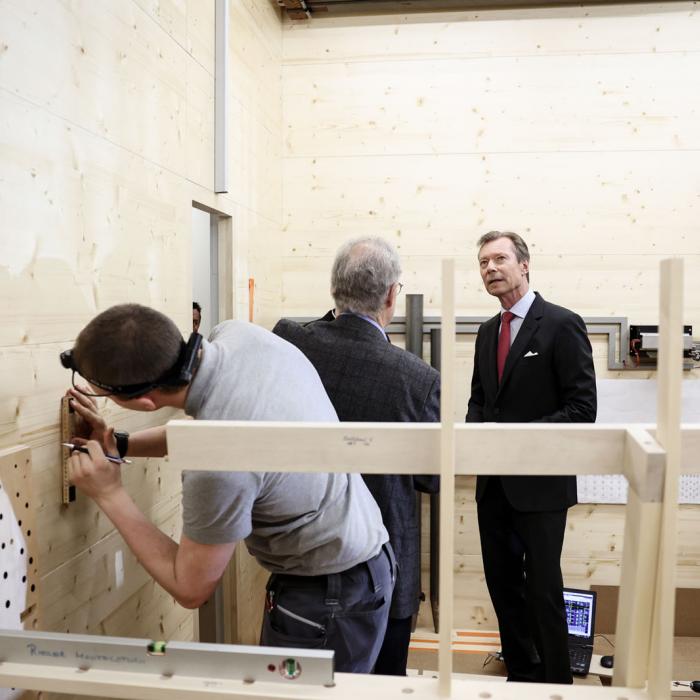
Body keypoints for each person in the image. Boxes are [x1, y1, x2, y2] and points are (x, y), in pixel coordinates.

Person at [60, 304, 395, 673]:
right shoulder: (238, 335)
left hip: (328, 597)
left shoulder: (217, 466)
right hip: (363, 561)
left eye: (103, 394)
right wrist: (121, 445)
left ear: (144, 402)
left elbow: (189, 587)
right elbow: (214, 427)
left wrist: (110, 493)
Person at [273, 237, 440, 676]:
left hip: (298, 562)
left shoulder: (288, 341)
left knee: (298, 685)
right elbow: (431, 478)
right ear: (391, 296)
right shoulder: (417, 379)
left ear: (334, 288)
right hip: (380, 572)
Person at [466, 231, 596, 684]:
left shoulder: (562, 324)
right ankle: (521, 677)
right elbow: (480, 401)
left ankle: (556, 682)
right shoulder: (487, 332)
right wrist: (477, 437)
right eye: (483, 262)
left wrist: (513, 438)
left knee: (543, 590)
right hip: (494, 484)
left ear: (525, 265)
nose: (490, 268)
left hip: (541, 485)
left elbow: (582, 409)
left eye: (500, 258)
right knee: (502, 587)